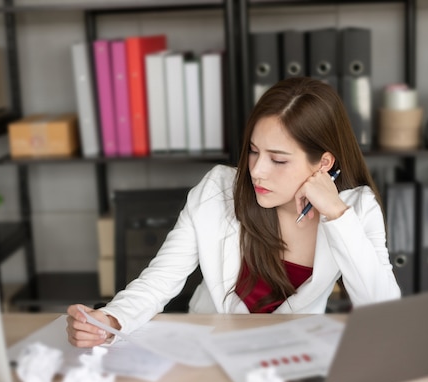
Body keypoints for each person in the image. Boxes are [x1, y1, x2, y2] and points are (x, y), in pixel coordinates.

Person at [67, 77, 401, 347]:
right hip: (210, 348)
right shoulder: (217, 189)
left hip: (292, 355)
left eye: (279, 159)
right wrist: (110, 321)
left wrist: (335, 214)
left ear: (324, 163)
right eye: (254, 152)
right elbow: (160, 279)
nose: (257, 170)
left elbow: (383, 312)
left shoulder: (355, 209)